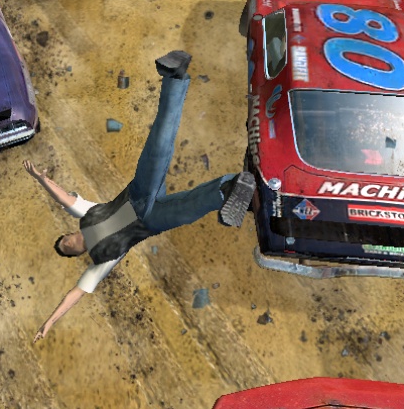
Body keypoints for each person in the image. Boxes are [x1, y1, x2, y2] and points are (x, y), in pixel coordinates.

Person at [28, 51, 256, 342]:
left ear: (69, 233)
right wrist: (49, 322)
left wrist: (41, 179)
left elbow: (64, 199)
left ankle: (175, 78)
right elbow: (75, 294)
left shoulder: (86, 215)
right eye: (67, 249)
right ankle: (230, 188)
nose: (69, 243)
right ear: (77, 254)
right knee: (188, 209)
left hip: (137, 195)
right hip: (150, 221)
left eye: (64, 240)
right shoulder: (99, 263)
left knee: (158, 147)